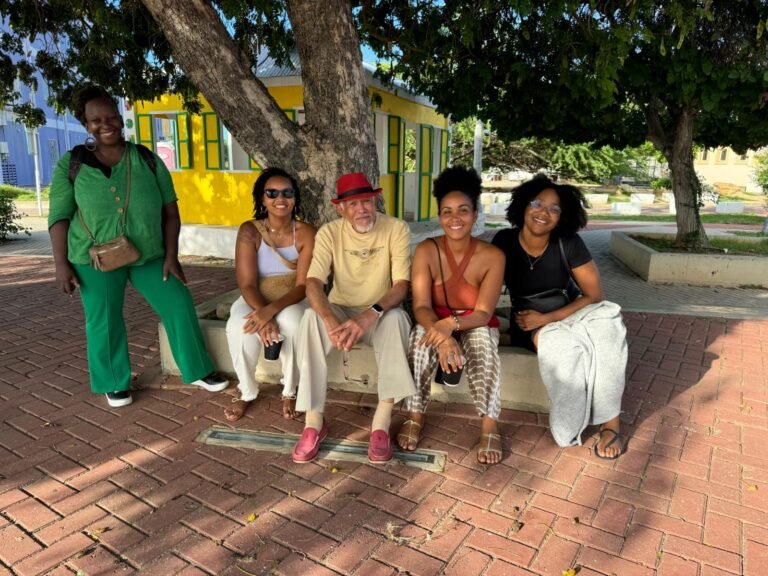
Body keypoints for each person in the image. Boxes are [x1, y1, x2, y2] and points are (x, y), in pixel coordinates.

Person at [48, 85, 228, 408]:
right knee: (104, 319)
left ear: (120, 118)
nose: (106, 124)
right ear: (85, 124)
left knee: (178, 301)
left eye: (111, 117)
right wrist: (61, 263)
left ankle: (198, 369)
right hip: (93, 258)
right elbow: (59, 216)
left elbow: (170, 211)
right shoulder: (71, 164)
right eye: (96, 120)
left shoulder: (146, 158)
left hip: (149, 254)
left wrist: (172, 255)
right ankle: (113, 381)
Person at [492, 176, 627, 459]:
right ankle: (569, 425)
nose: (544, 212)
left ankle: (611, 423)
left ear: (562, 217)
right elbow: (486, 287)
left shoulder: (569, 242)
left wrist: (549, 317)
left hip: (570, 310)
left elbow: (594, 294)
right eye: (537, 204)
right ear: (524, 205)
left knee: (610, 330)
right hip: (529, 320)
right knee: (564, 347)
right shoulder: (504, 241)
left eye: (554, 209)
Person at [291, 172, 417, 464]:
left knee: (398, 320)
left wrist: (369, 315)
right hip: (341, 311)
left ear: (375, 201)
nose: (362, 209)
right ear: (340, 208)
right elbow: (313, 283)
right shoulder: (329, 232)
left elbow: (401, 285)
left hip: (379, 313)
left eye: (367, 201)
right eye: (353, 204)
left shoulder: (396, 228)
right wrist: (329, 320)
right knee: (310, 318)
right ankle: (313, 422)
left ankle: (381, 424)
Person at [397, 166, 506, 464]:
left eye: (463, 210)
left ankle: (489, 425)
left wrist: (451, 324)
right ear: (439, 215)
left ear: (475, 214)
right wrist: (444, 337)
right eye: (447, 212)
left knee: (483, 343)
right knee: (420, 338)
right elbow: (421, 306)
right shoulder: (426, 250)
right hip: (435, 321)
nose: (455, 218)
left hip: (475, 323)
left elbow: (483, 313)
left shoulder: (493, 256)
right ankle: (415, 415)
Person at [224, 168, 316, 421]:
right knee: (239, 325)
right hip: (255, 296)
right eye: (272, 193)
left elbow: (302, 286)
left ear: (295, 198)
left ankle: (290, 389)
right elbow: (246, 283)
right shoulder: (250, 231)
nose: (280, 199)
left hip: (293, 297)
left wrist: (270, 312)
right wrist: (263, 314)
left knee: (294, 322)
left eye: (287, 193)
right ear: (262, 199)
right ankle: (246, 391)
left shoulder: (307, 233)